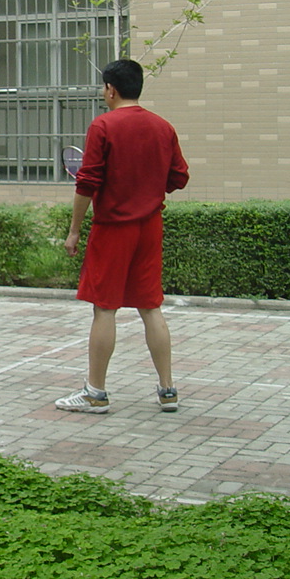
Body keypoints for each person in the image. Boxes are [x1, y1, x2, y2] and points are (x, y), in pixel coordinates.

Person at [57, 58, 190, 413]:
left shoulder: (103, 126)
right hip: (150, 228)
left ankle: (95, 394)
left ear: (110, 90)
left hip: (113, 229)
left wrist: (74, 231)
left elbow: (87, 183)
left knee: (105, 308)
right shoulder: (163, 127)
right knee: (150, 307)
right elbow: (179, 177)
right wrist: (149, 187)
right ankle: (167, 390)